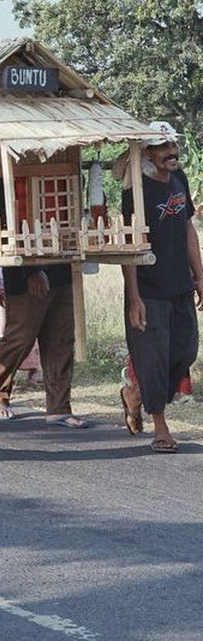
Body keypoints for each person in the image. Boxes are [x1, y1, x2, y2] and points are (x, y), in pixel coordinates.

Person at [121, 120, 203, 453]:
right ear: (148, 153)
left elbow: (188, 232)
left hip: (180, 284)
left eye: (173, 146)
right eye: (164, 148)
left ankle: (136, 393)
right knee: (153, 359)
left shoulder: (179, 180)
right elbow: (129, 248)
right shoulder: (135, 192)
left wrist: (200, 277)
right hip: (149, 289)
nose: (172, 152)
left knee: (185, 351)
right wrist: (134, 298)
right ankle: (161, 427)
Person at [0, 264, 88, 427]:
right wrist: (31, 271)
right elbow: (16, 239)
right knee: (19, 339)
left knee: (61, 343)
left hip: (64, 271)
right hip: (25, 275)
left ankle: (59, 408)